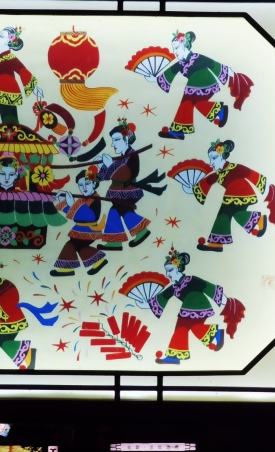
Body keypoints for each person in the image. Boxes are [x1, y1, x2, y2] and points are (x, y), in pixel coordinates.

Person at [148, 31, 247, 140]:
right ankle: (219, 111)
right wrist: (155, 79)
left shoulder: (196, 57)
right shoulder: (180, 63)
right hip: (195, 85)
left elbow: (212, 63)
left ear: (184, 45)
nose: (174, 52)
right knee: (193, 103)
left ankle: (178, 131)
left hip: (205, 82)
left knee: (187, 101)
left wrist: (230, 73)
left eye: (176, 48)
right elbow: (171, 72)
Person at [135, 247, 227, 365]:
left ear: (178, 268)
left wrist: (224, 300)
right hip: (188, 309)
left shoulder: (192, 279)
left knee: (181, 328)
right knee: (193, 328)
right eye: (167, 271)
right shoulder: (174, 287)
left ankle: (174, 356)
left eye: (170, 270)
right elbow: (162, 298)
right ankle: (216, 334)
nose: (167, 274)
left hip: (199, 305)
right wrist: (144, 304)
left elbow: (207, 287)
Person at [193, 139, 275, 252]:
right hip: (232, 195)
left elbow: (250, 173)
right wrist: (197, 188)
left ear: (222, 156)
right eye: (210, 159)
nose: (211, 163)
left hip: (242, 193)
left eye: (214, 158)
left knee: (224, 213)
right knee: (236, 214)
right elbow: (209, 180)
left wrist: (265, 187)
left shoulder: (234, 167)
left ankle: (216, 243)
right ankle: (258, 220)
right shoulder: (219, 173)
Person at [95, 120, 151, 250]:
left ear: (126, 139)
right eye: (113, 140)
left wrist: (109, 165)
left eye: (116, 140)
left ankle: (140, 232)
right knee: (114, 212)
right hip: (118, 192)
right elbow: (107, 174)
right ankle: (115, 242)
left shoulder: (132, 155)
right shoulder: (121, 156)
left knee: (124, 211)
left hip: (127, 191)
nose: (113, 144)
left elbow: (127, 173)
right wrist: (98, 175)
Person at [51, 167, 108, 276]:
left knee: (72, 245)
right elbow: (75, 214)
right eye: (80, 185)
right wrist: (64, 202)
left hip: (90, 229)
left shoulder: (95, 198)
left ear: (94, 184)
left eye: (87, 184)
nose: (84, 188)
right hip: (80, 229)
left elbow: (91, 216)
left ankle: (68, 268)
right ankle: (98, 261)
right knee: (78, 246)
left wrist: (71, 203)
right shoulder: (82, 199)